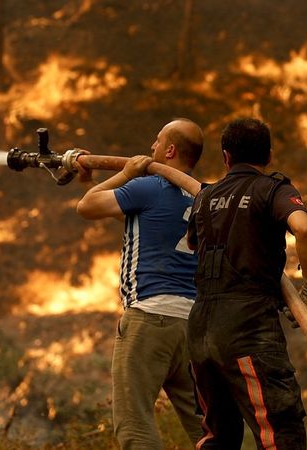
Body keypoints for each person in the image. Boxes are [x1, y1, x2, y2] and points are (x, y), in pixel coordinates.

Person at [160, 117, 307, 449]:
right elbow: (304, 230)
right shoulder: (273, 189)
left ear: (225, 157)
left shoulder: (205, 199)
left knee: (217, 437)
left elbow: (193, 244)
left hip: (201, 331)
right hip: (248, 329)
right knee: (280, 431)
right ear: (270, 156)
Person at [75, 119, 205, 449]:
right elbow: (126, 213)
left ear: (170, 150)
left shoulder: (147, 187)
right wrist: (89, 180)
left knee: (135, 426)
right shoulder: (203, 198)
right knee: (208, 429)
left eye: (157, 141)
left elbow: (87, 207)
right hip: (192, 327)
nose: (151, 147)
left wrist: (126, 174)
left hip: (149, 319)